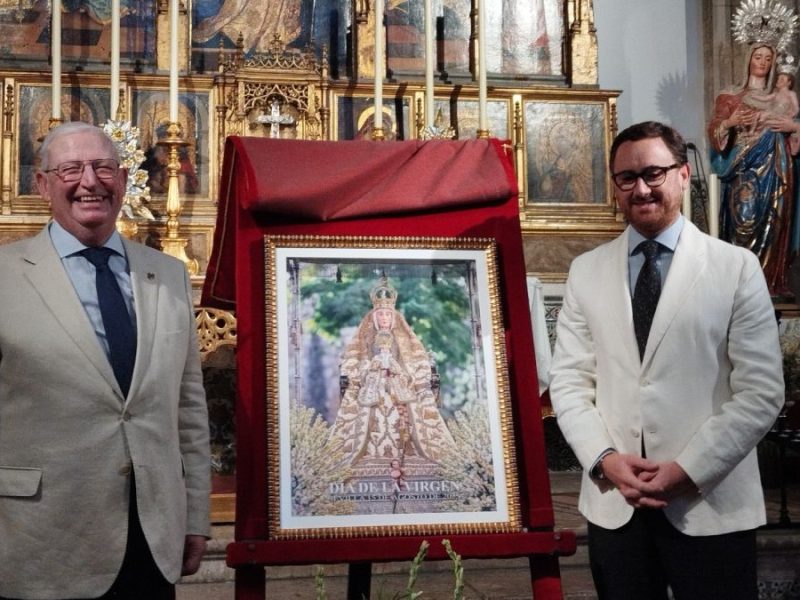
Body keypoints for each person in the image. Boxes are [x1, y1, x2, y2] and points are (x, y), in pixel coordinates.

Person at [549, 121, 784, 599]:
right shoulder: (585, 271)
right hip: (617, 503)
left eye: (654, 173)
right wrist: (604, 459)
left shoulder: (735, 268)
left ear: (682, 174)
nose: (641, 188)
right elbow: (570, 382)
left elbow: (761, 391)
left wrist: (688, 469)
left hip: (709, 501)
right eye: (626, 178)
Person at [0, 122, 211, 599]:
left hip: (151, 539)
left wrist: (196, 515)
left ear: (123, 178)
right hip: (38, 540)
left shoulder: (168, 274)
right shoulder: (5, 277)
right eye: (71, 169)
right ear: (43, 184)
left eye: (103, 168)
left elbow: (189, 411)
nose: (90, 182)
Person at [329, 277, 456, 465]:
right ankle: (366, 452)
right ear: (374, 317)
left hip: (401, 384)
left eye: (388, 315)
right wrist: (370, 369)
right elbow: (355, 362)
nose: (384, 319)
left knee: (414, 403)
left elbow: (414, 361)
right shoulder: (366, 338)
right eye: (380, 315)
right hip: (371, 385)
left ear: (394, 317)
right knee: (362, 403)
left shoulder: (402, 338)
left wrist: (407, 375)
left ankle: (411, 449)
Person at [708, 42, 800, 294]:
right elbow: (715, 130)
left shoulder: (782, 99)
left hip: (778, 170)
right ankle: (741, 285)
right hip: (744, 170)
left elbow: (796, 125)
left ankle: (771, 283)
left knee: (777, 221)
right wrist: (730, 121)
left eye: (768, 58)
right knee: (744, 220)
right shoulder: (730, 96)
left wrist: (793, 128)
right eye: (758, 56)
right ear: (748, 59)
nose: (762, 62)